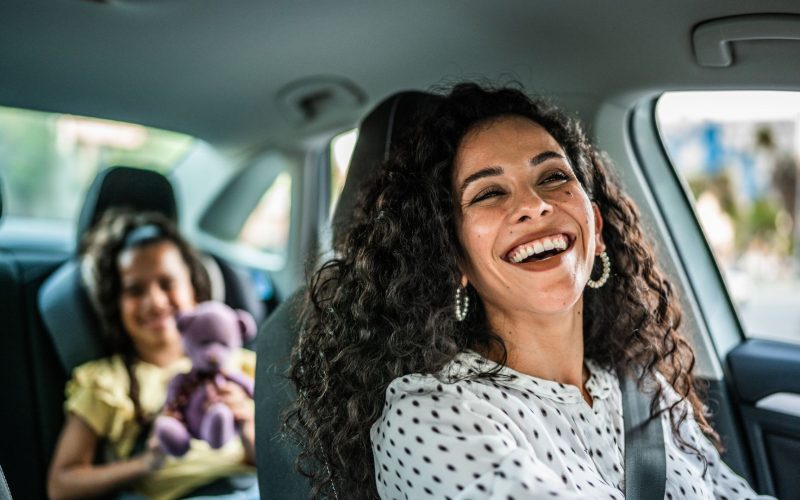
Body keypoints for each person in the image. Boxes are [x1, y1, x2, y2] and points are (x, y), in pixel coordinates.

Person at [285, 84, 773, 499]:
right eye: (489, 193)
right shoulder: (431, 417)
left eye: (554, 177)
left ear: (596, 227)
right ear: (453, 259)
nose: (535, 205)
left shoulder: (645, 390)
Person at [47, 210, 258, 500]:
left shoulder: (243, 365)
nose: (155, 302)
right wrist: (144, 464)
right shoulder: (107, 382)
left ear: (195, 290)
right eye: (135, 290)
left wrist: (248, 427)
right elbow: (61, 485)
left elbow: (287, 464)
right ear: (115, 305)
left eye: (167, 284)